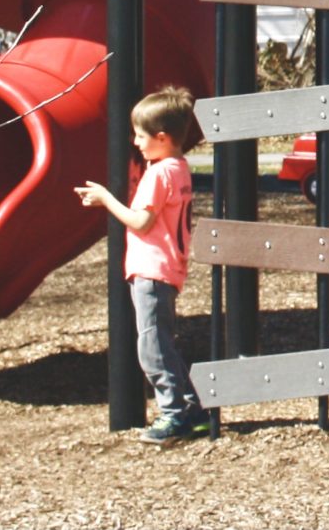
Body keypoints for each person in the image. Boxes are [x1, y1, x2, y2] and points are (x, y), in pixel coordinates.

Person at [78, 86, 214, 444]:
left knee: (152, 346)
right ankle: (194, 410)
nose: (135, 142)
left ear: (162, 138)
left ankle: (173, 415)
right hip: (168, 267)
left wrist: (105, 198)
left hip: (152, 269)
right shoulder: (180, 168)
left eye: (140, 135)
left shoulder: (158, 174)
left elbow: (141, 222)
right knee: (163, 341)